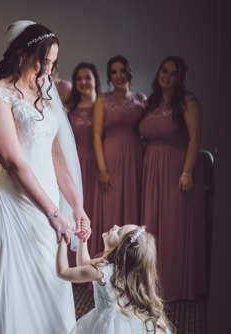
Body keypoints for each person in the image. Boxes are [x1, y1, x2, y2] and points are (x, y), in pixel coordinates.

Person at [0, 20, 90, 334]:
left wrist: (75, 206)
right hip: (11, 200)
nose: (47, 70)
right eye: (43, 61)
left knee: (49, 280)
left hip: (48, 199)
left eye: (52, 63)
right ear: (22, 55)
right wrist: (53, 213)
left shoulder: (44, 92)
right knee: (11, 283)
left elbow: (57, 156)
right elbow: (13, 162)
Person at [139, 56, 205, 302]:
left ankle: (174, 285)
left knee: (173, 225)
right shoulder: (152, 102)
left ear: (180, 78)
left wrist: (187, 172)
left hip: (177, 169)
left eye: (173, 73)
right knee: (153, 225)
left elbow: (195, 138)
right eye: (164, 71)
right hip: (152, 170)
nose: (166, 76)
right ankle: (152, 282)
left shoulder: (188, 101)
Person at [57, 223, 173, 333]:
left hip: (108, 324)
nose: (115, 226)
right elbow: (85, 264)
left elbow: (63, 272)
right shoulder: (117, 266)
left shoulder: (102, 271)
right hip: (127, 319)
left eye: (118, 232)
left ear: (121, 249)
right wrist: (83, 240)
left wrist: (62, 240)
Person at [92, 55, 145, 232]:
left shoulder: (141, 99)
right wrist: (102, 169)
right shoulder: (102, 99)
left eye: (122, 70)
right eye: (113, 72)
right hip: (110, 158)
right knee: (111, 204)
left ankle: (130, 254)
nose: (118, 75)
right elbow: (96, 135)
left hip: (134, 158)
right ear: (109, 77)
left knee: (132, 204)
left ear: (129, 72)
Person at [65, 62, 101, 260]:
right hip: (71, 165)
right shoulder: (69, 108)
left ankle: (91, 259)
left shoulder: (102, 106)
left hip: (95, 164)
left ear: (96, 80)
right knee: (74, 208)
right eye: (79, 78)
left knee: (93, 209)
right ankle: (72, 263)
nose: (83, 82)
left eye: (87, 77)